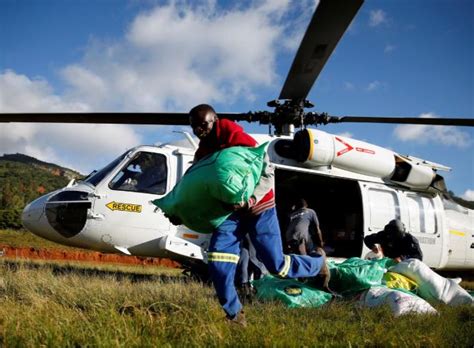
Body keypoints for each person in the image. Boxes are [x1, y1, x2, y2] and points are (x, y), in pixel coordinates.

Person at [183, 103, 326, 325]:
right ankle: (235, 314)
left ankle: (318, 263)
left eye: (203, 125)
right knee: (218, 262)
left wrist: (252, 199)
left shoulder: (241, 141)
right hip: (229, 214)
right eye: (194, 127)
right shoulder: (202, 154)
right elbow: (195, 184)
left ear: (215, 120)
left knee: (277, 266)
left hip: (260, 209)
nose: (199, 131)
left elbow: (267, 173)